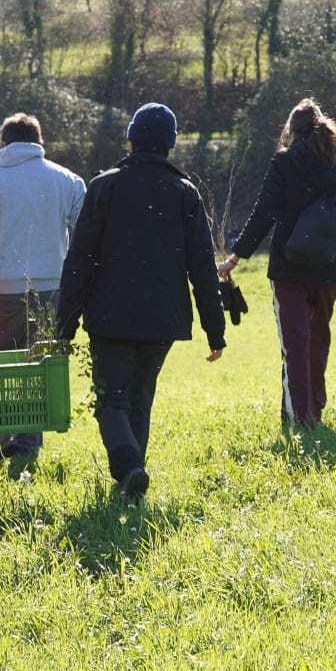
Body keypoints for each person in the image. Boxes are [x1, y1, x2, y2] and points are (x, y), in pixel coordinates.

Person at [56, 102, 225, 504]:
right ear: (170, 144)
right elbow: (202, 266)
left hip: (110, 315)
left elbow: (80, 260)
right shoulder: (185, 193)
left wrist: (64, 325)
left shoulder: (105, 187)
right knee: (140, 399)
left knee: (111, 399)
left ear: (131, 138)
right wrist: (214, 331)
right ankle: (132, 482)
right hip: (162, 320)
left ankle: (130, 468)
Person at [217, 98, 336, 431]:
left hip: (289, 269)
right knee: (318, 341)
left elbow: (264, 214)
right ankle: (314, 410)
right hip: (330, 269)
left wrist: (235, 257)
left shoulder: (284, 163)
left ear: (291, 132)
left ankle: (301, 419)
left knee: (294, 344)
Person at [0, 112, 86, 460]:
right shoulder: (68, 180)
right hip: (52, 292)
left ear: (3, 143)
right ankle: (27, 445)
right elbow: (86, 242)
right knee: (38, 369)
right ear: (39, 143)